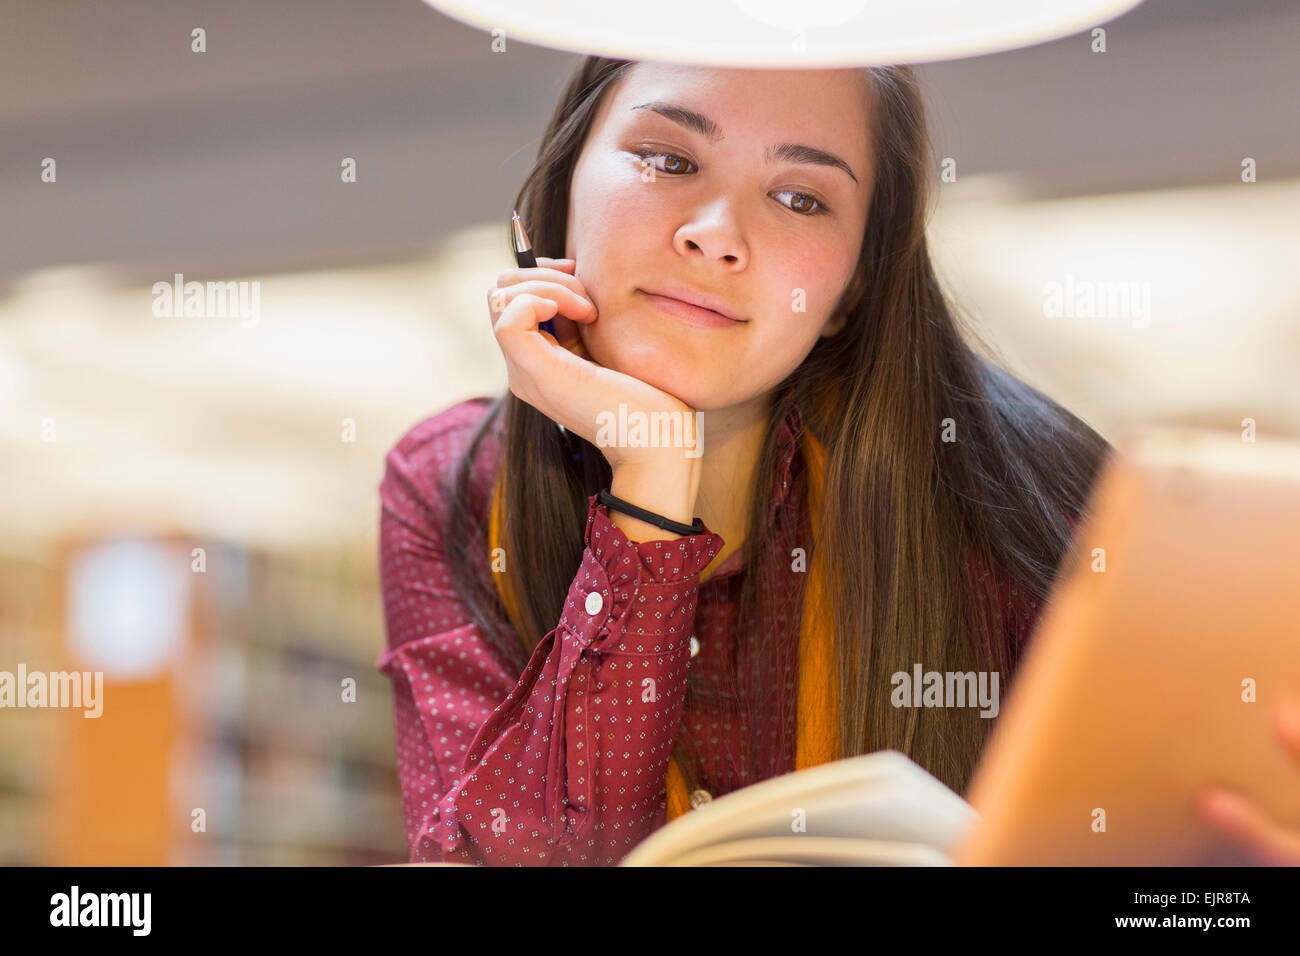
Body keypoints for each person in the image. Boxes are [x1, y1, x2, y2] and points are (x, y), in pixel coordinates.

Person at [375, 57, 1113, 866]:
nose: (716, 235)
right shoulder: (451, 484)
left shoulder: (1029, 497)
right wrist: (650, 481)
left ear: (856, 288)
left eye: (801, 198)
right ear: (560, 190)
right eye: (669, 160)